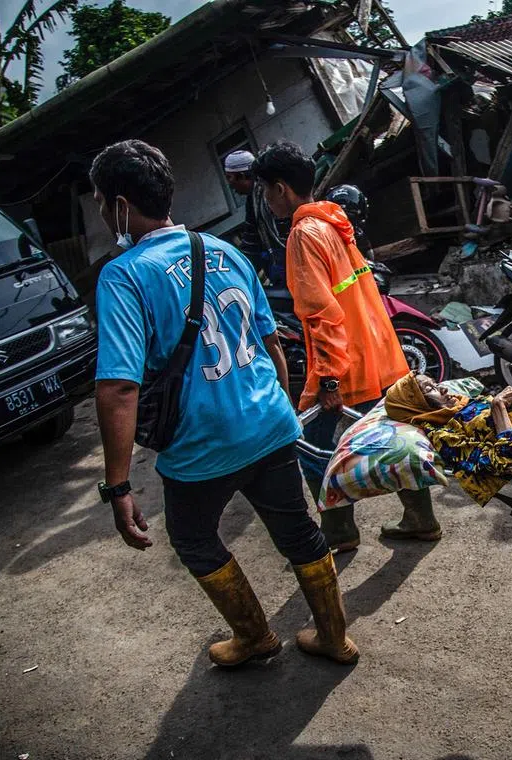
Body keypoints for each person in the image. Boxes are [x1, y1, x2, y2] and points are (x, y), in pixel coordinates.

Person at [91, 140, 357, 668]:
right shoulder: (223, 250)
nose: (101, 211)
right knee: (299, 532)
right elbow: (272, 342)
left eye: (101, 200)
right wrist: (277, 410)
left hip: (201, 445)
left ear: (120, 205)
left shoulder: (123, 275)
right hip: (268, 423)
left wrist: (118, 485)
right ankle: (334, 638)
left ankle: (255, 636)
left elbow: (119, 387)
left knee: (192, 537)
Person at [253, 140, 436, 552]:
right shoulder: (335, 222)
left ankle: (338, 531)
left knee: (311, 447)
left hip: (343, 365)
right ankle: (421, 516)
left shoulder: (303, 235)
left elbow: (322, 314)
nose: (266, 200)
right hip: (378, 353)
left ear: (280, 189)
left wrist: (330, 381)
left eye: (265, 190)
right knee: (392, 436)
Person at [384, 372, 512, 505]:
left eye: (435, 383)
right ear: (416, 405)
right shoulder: (444, 435)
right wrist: (499, 408)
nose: (443, 388)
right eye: (430, 389)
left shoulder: (463, 403)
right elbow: (507, 464)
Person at [223, 150, 287, 285]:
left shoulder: (268, 194)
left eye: (229, 177)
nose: (229, 184)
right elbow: (251, 241)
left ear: (241, 175)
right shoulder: (252, 199)